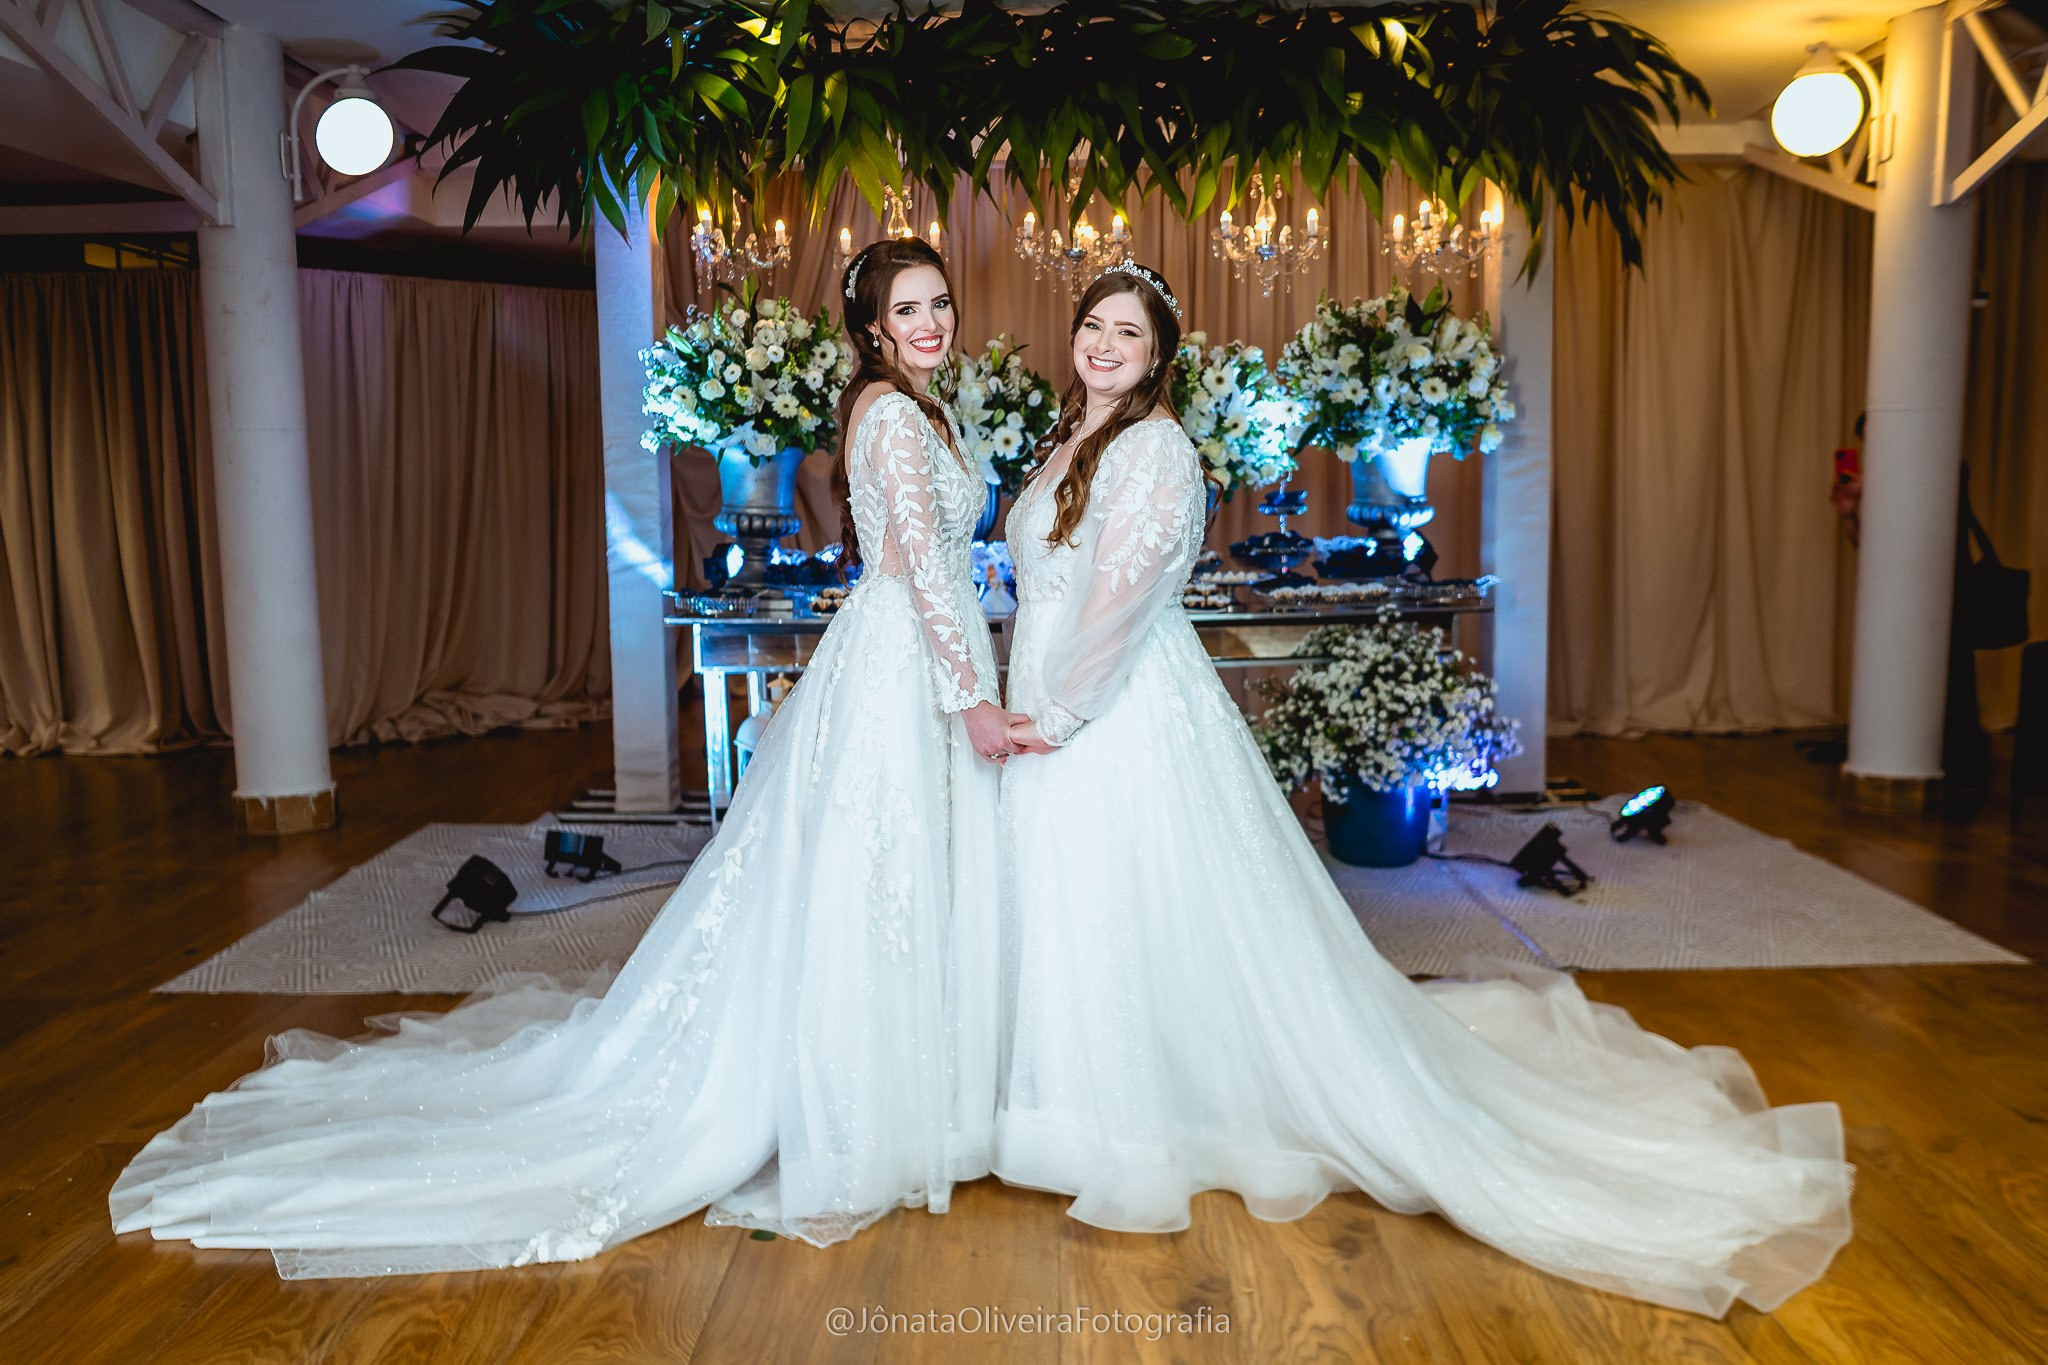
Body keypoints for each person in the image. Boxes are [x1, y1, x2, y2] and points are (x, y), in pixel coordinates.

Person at [109, 237, 1021, 1277]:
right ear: (870, 326)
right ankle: (880, 1101)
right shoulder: (894, 416)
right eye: (908, 309)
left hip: (903, 657)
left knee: (881, 877)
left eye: (939, 303)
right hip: (908, 662)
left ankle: (919, 1084)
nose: (931, 323)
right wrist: (971, 696)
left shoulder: (911, 407)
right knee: (878, 875)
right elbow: (910, 569)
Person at [994, 262, 1853, 1318]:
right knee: (1076, 901)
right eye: (1091, 325)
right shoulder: (1067, 439)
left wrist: (1059, 715)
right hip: (1048, 700)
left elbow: (1122, 601)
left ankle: (1131, 1103)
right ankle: (1053, 1091)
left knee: (1135, 899)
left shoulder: (1157, 448)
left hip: (1107, 711)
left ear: (1158, 353)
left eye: (1125, 332)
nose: (1101, 344)